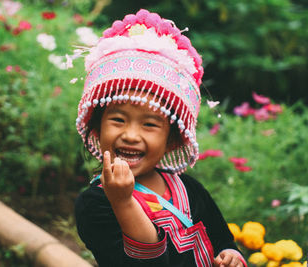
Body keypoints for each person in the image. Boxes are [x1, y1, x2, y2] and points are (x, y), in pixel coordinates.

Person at [74, 9, 247, 267]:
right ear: (97, 129)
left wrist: (230, 256)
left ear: (173, 140)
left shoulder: (190, 190)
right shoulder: (96, 203)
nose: (131, 135)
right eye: (118, 120)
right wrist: (123, 202)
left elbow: (223, 240)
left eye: (150, 124)